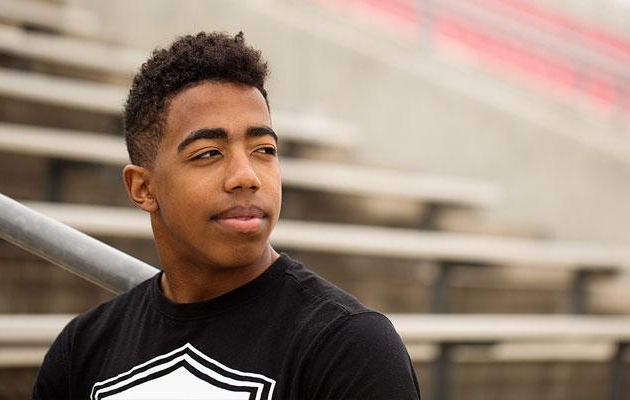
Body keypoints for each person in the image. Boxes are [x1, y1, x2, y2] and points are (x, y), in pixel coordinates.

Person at [32, 31, 420, 400]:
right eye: (208, 153)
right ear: (143, 188)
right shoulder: (80, 352)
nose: (246, 177)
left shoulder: (349, 346)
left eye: (264, 150)